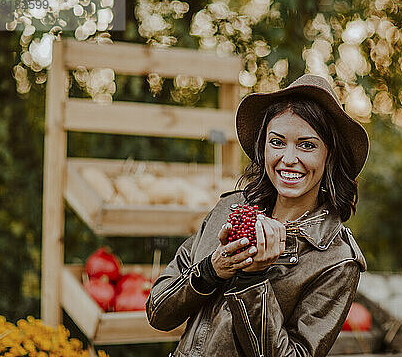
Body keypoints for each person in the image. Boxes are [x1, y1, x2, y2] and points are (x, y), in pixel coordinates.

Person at [146, 74, 369, 357]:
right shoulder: (229, 210)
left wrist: (253, 280)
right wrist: (210, 270)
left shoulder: (336, 259)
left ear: (330, 155)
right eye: (277, 142)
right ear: (263, 147)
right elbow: (157, 312)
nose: (288, 158)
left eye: (307, 145)